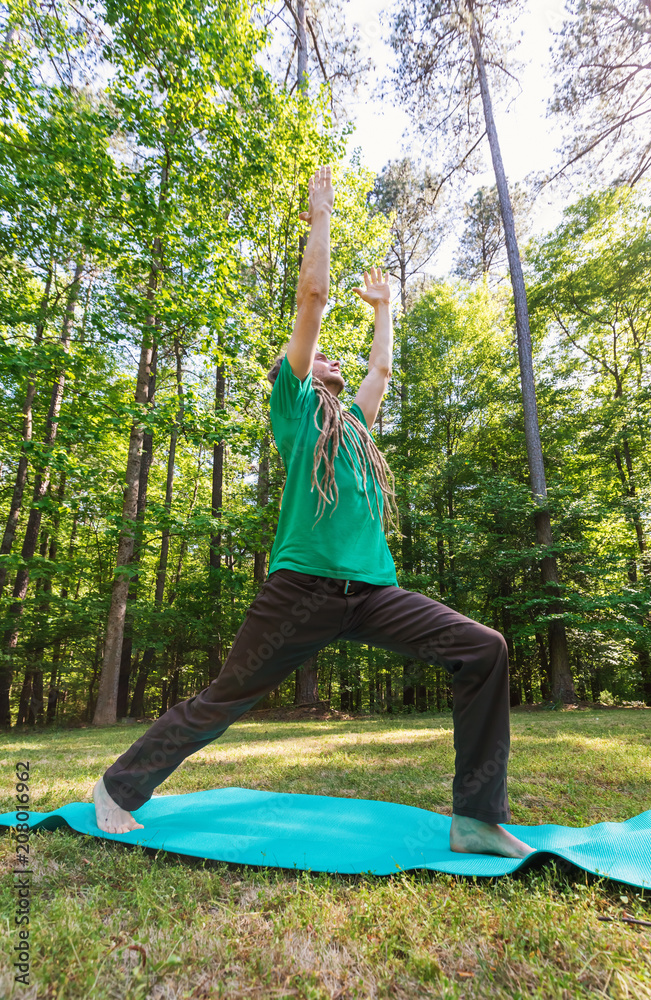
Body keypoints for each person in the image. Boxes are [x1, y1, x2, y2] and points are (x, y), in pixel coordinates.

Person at [93, 166, 533, 859]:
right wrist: (320, 218)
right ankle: (118, 788)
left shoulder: (355, 425)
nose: (329, 358)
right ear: (295, 375)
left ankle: (476, 816)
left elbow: (381, 372)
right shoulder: (294, 412)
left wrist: (385, 308)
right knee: (226, 699)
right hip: (299, 592)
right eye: (316, 356)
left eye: (330, 357)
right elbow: (312, 297)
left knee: (485, 648)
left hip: (374, 594)